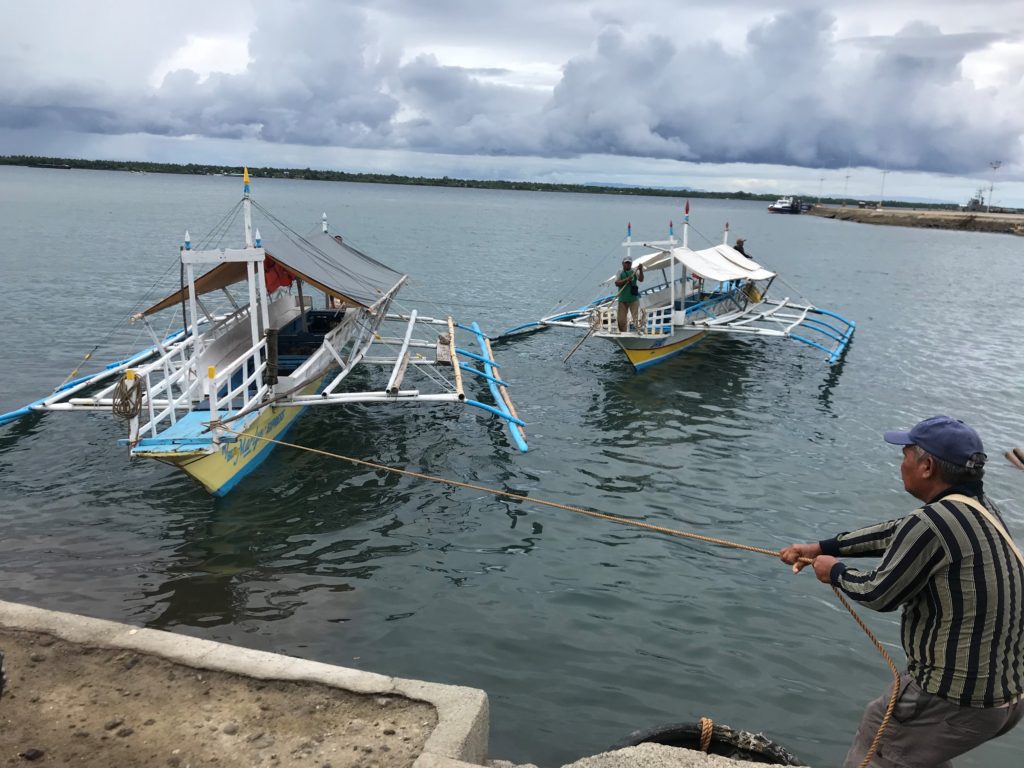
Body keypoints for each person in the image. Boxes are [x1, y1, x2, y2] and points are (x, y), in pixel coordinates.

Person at [780, 415, 1024, 767]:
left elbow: (880, 593)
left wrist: (834, 571)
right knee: (919, 753)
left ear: (926, 466)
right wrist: (822, 545)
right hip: (1005, 698)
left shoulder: (931, 523)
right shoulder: (982, 511)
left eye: (905, 454)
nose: (901, 463)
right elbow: (896, 532)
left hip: (954, 696)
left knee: (880, 738)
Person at [615, 257, 644, 333]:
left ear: (631, 264)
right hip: (622, 300)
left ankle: (638, 331)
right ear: (623, 263)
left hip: (633, 299)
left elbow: (641, 279)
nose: (627, 264)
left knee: (636, 317)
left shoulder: (634, 271)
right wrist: (626, 280)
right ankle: (623, 333)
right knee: (621, 320)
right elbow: (617, 283)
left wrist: (640, 270)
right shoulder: (619, 272)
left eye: (629, 263)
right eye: (626, 263)